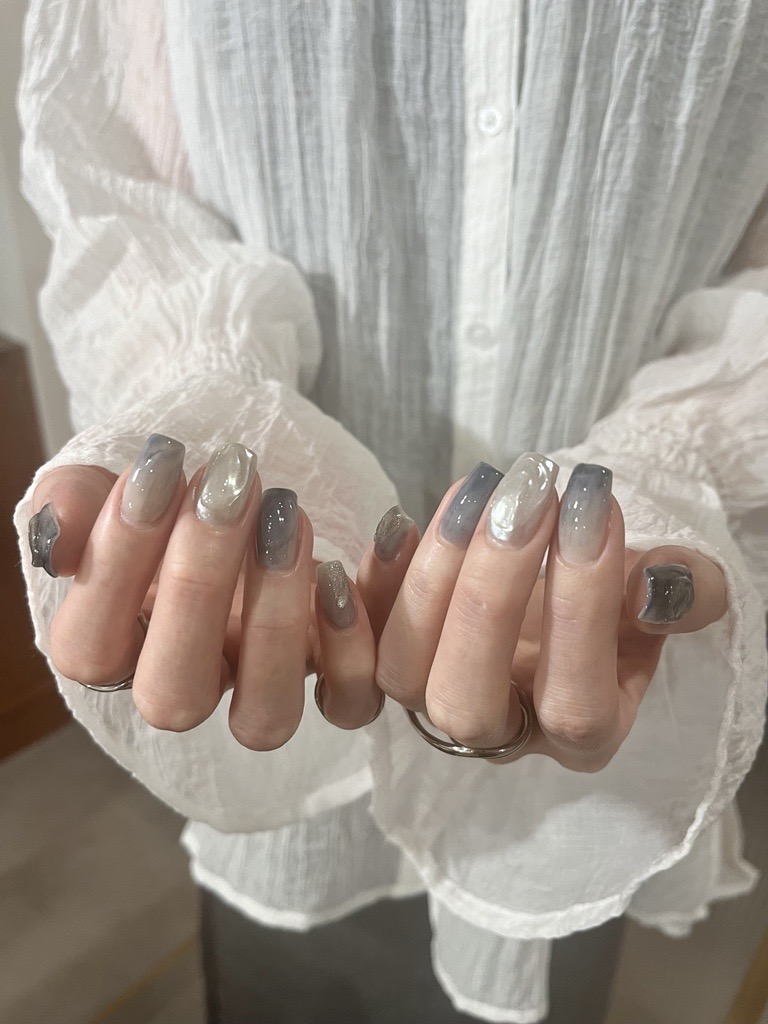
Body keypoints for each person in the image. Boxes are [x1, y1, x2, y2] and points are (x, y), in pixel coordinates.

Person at [14, 0, 768, 1021]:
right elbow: (118, 183)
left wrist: (670, 474)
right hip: (275, 690)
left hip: (592, 704)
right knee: (290, 991)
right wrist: (195, 410)